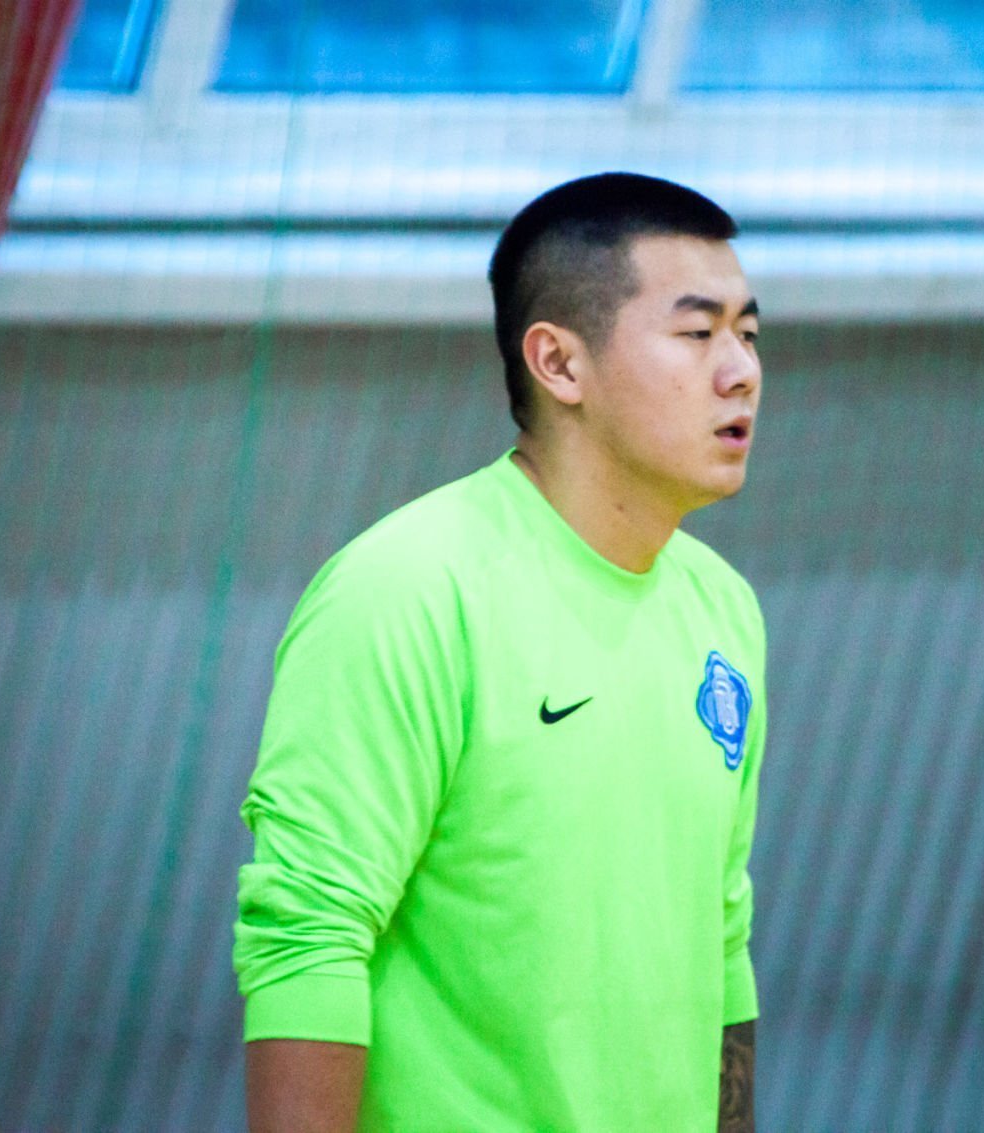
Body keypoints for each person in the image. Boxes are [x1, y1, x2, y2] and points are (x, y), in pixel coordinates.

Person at [233, 172, 767, 1132]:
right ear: (559, 363)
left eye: (750, 334)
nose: (740, 372)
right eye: (698, 333)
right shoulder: (407, 590)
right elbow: (308, 940)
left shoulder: (724, 609)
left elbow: (720, 937)